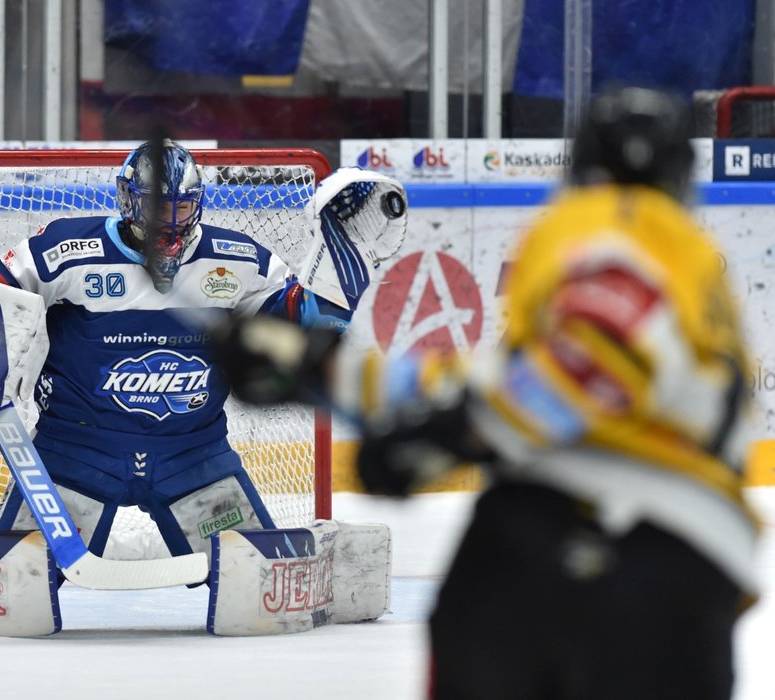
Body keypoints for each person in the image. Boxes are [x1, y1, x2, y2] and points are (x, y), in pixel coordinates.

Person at [211, 87, 761, 699]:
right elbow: (530, 381)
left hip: (571, 540)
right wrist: (327, 372)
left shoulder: (618, 222)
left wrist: (454, 435)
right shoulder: (696, 275)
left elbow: (587, 368)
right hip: (692, 565)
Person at [0, 139, 367, 562]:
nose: (169, 224)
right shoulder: (70, 247)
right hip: (77, 452)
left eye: (180, 208)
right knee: (18, 583)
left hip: (193, 456)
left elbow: (304, 324)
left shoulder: (237, 260)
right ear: (127, 201)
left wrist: (341, 273)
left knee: (260, 586)